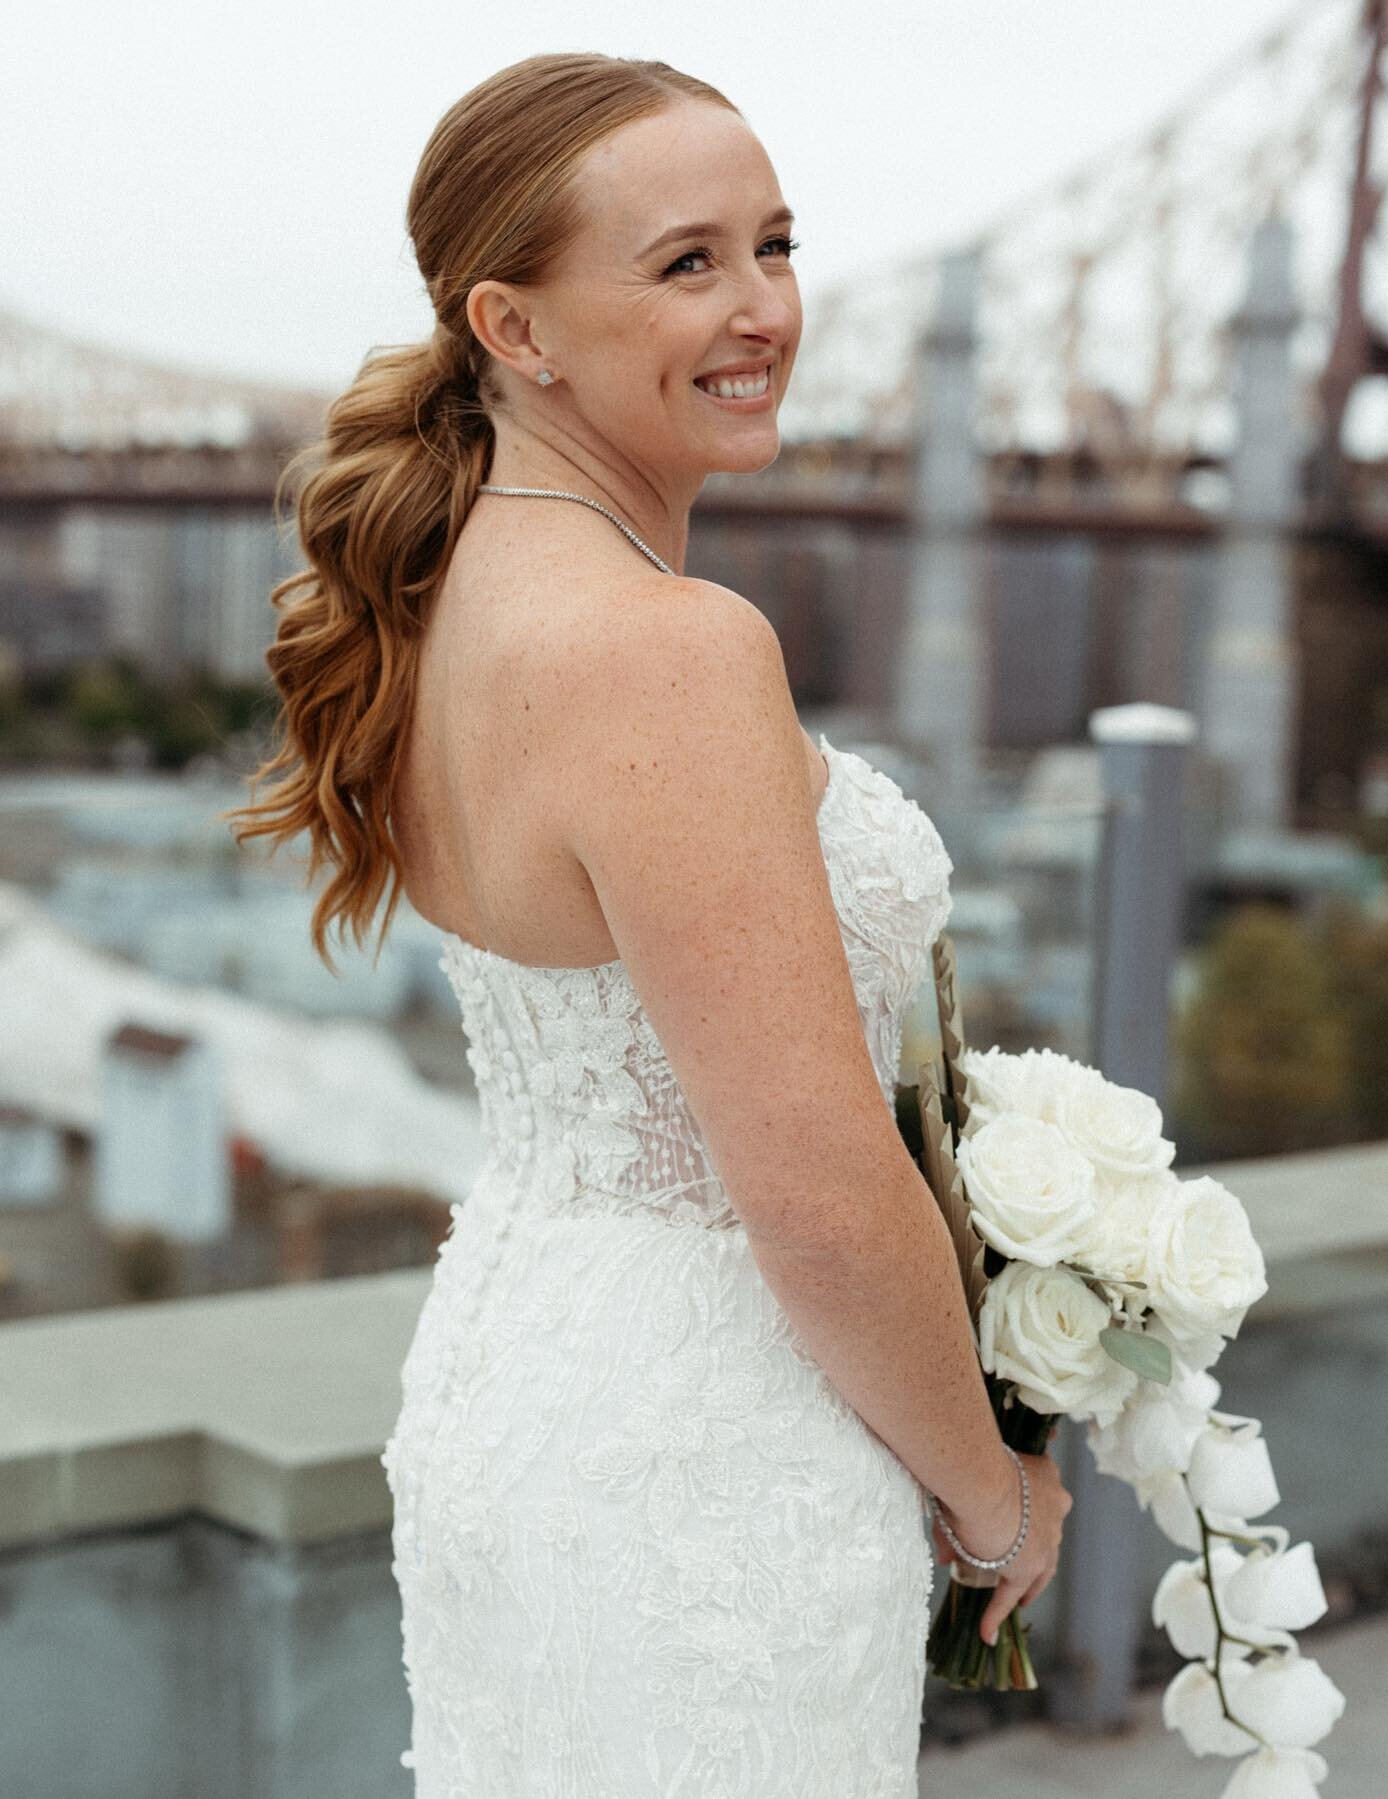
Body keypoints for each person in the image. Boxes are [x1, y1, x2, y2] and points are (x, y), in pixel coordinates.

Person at [226, 49, 1071, 1797]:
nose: (764, 307)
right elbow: (817, 1193)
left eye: (775, 245)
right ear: (514, 329)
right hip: (711, 1442)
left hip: (525, 1379)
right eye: (686, 263)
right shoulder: (671, 652)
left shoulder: (452, 593)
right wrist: (997, 1499)